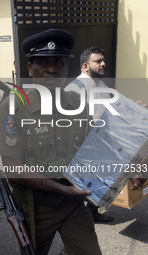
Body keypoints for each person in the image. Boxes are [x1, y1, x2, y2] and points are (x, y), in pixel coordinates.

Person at [0, 29, 146, 255]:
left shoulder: (77, 102)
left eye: (58, 61)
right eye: (42, 62)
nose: (51, 68)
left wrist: (127, 170)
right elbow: (13, 168)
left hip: (74, 205)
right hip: (35, 209)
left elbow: (96, 147)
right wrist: (63, 189)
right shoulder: (14, 106)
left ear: (67, 67)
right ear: (30, 68)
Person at [65, 47, 113, 222]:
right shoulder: (75, 88)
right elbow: (69, 122)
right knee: (81, 182)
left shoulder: (102, 85)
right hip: (82, 145)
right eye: (98, 61)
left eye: (103, 60)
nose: (103, 64)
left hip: (99, 142)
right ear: (85, 66)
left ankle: (92, 213)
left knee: (97, 180)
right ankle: (76, 217)